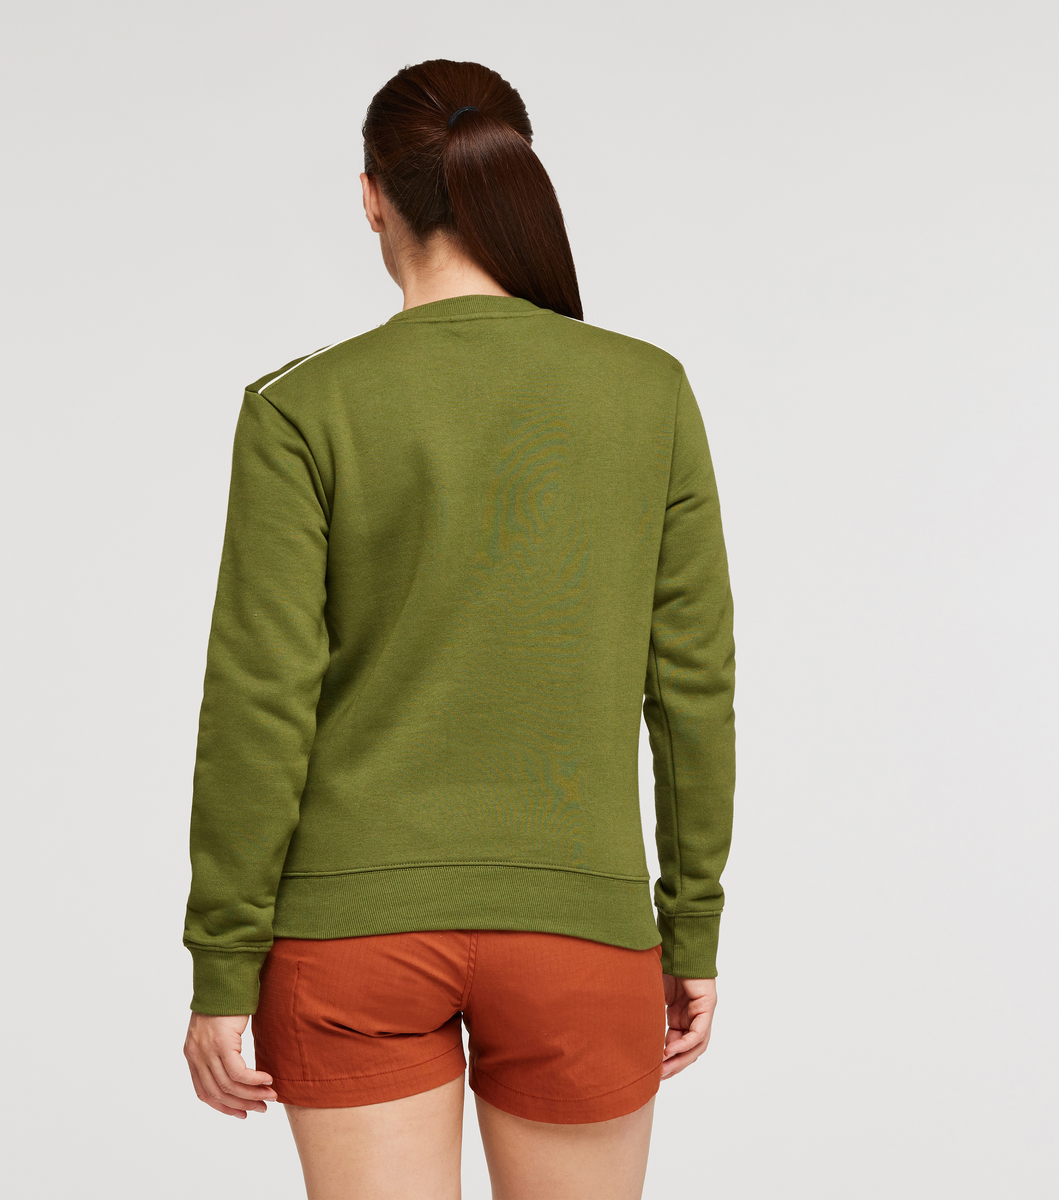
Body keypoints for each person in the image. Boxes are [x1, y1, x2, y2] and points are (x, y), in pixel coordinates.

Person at [182, 58, 734, 1200]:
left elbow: (259, 700)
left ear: (371, 196)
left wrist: (223, 963)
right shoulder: (649, 391)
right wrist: (692, 928)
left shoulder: (300, 407)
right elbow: (690, 690)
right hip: (579, 926)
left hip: (351, 933)